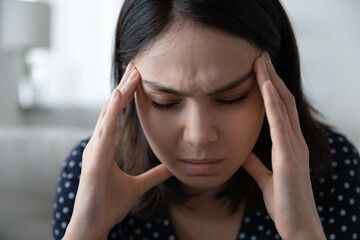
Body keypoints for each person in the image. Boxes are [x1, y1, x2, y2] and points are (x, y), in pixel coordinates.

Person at [53, 0, 360, 239]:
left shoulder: (334, 168)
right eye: (165, 102)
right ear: (129, 91)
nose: (199, 136)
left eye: (231, 97)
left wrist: (304, 234)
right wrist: (86, 233)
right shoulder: (91, 175)